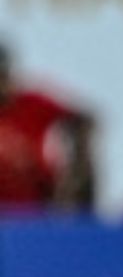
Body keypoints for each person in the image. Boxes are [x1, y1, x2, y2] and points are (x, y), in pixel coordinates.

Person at [0, 39, 96, 215]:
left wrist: (75, 169)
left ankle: (82, 219)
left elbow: (86, 120)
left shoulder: (32, 103)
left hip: (37, 204)